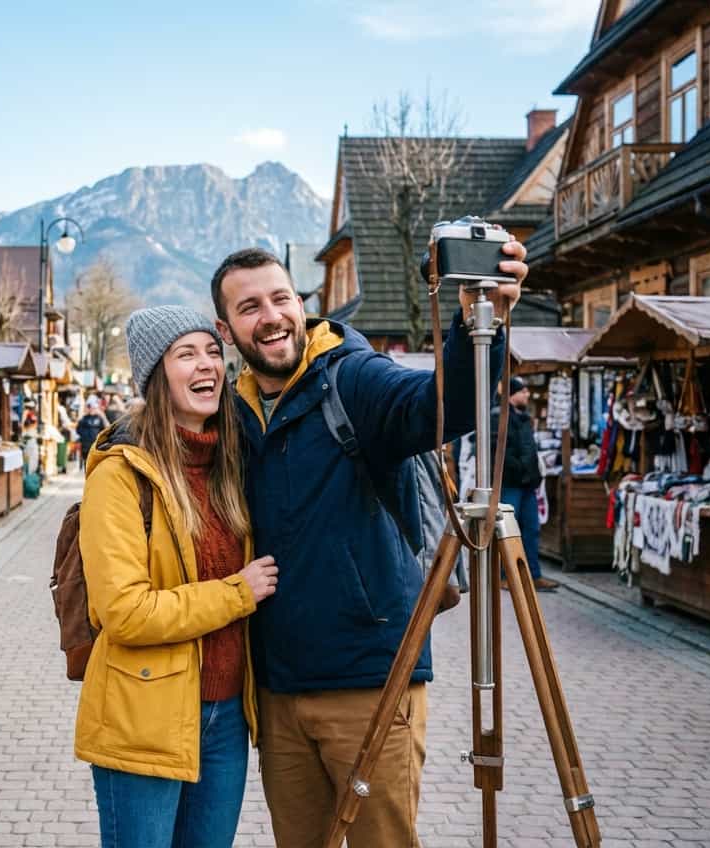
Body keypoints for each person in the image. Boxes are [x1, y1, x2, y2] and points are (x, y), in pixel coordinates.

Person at [210, 243, 527, 847]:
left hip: (371, 682)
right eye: (250, 307)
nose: (271, 315)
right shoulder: (237, 413)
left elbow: (441, 405)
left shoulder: (351, 379)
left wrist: (475, 323)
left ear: (301, 305)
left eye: (281, 298)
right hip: (278, 692)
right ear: (227, 330)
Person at [77, 305, 278, 848]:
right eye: (185, 354)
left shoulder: (233, 466)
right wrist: (238, 592)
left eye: (213, 351)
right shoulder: (120, 476)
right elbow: (125, 612)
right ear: (154, 376)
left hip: (229, 718)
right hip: (145, 713)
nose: (206, 365)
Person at [493, 376, 557, 592]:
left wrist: (533, 474)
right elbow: (498, 450)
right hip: (511, 484)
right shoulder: (499, 416)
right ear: (512, 394)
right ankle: (503, 575)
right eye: (523, 391)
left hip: (527, 484)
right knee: (507, 530)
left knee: (531, 529)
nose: (527, 394)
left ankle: (533, 574)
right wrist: (519, 469)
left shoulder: (523, 418)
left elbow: (529, 450)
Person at [75, 401, 108, 470]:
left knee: (95, 463)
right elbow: (78, 430)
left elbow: (104, 429)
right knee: (86, 462)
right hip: (86, 445)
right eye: (89, 407)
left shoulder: (99, 418)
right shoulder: (84, 419)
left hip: (96, 444)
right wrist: (84, 436)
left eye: (93, 408)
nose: (91, 409)